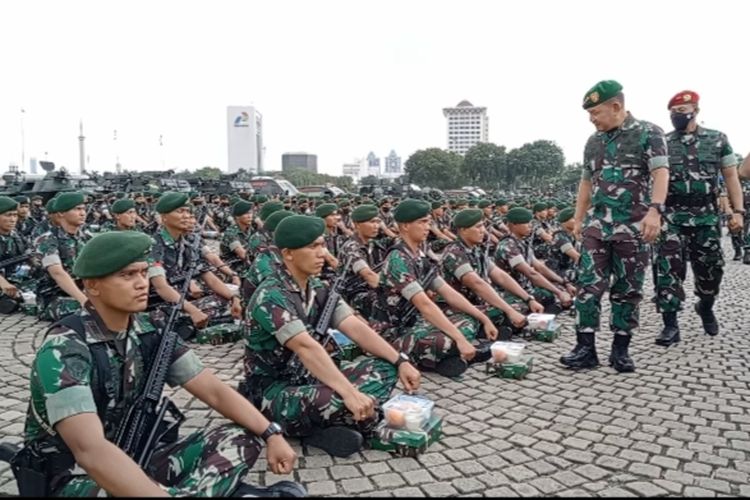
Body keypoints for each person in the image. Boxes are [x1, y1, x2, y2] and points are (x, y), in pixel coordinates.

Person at [15, 231, 303, 497]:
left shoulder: (149, 330)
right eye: (127, 275)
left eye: (143, 272)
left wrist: (271, 432)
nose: (142, 283)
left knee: (242, 435)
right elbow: (89, 450)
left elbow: (212, 390)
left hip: (137, 454)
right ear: (92, 286)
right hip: (74, 477)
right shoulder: (66, 348)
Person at [242, 215, 421, 458]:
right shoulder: (272, 295)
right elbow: (306, 347)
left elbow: (355, 327)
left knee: (385, 367)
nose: (322, 253)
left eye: (323, 245)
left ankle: (336, 420)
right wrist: (350, 392)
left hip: (309, 379)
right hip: (273, 391)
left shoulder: (317, 288)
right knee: (338, 399)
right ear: (288, 254)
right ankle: (326, 425)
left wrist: (401, 360)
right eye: (312, 246)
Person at [561, 80, 669, 373]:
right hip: (597, 226)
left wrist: (655, 211)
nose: (591, 119)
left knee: (627, 289)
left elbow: (660, 172)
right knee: (587, 286)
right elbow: (586, 182)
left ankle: (620, 349)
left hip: (634, 227)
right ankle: (585, 348)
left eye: (595, 112)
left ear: (616, 106)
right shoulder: (593, 142)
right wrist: (579, 218)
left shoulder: (649, 133)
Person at [369, 199, 498, 378]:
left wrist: (484, 319)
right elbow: (425, 305)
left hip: (416, 323)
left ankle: (449, 357)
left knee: (469, 318)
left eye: (429, 222)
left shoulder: (419, 257)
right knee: (446, 340)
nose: (428, 227)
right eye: (422, 222)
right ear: (405, 226)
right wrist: (460, 339)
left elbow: (448, 292)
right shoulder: (398, 259)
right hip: (392, 331)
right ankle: (443, 356)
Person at [654, 90, 743, 346]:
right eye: (673, 113)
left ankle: (705, 305)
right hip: (672, 217)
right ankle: (670, 325)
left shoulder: (717, 140)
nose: (676, 117)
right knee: (668, 270)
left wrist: (737, 211)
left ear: (695, 110)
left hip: (706, 217)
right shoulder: (663, 142)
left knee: (711, 271)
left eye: (681, 112)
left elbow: (731, 176)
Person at [147, 192, 242, 345]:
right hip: (157, 304)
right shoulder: (153, 244)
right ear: (164, 217)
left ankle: (189, 324)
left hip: (182, 299)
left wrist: (234, 298)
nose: (186, 216)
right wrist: (193, 310)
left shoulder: (189, 241)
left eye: (187, 211)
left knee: (227, 299)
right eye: (179, 212)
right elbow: (161, 287)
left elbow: (208, 275)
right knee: (158, 321)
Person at [439, 209, 530, 337]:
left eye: (483, 226)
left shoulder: (475, 250)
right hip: (458, 308)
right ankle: (484, 331)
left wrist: (528, 298)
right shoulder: (454, 252)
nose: (483, 231)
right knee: (505, 311)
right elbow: (476, 284)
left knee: (519, 304)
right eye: (478, 227)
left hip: (477, 304)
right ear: (463, 230)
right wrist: (509, 311)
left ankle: (493, 329)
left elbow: (500, 276)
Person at [494, 207, 574, 314]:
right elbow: (531, 273)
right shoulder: (508, 245)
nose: (530, 226)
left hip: (526, 289)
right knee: (522, 307)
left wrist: (565, 283)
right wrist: (559, 292)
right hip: (511, 293)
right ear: (514, 225)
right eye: (526, 223)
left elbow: (539, 267)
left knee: (550, 296)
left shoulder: (522, 243)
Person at [33, 192, 92, 321]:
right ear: (61, 213)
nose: (83, 213)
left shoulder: (86, 238)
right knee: (97, 310)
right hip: (55, 297)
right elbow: (58, 273)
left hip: (84, 291)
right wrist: (84, 300)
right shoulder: (46, 240)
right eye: (77, 209)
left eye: (83, 209)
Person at [0, 196, 34, 313]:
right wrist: (3, 283)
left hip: (13, 276)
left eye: (15, 215)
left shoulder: (15, 234)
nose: (13, 219)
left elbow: (28, 252)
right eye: (8, 215)